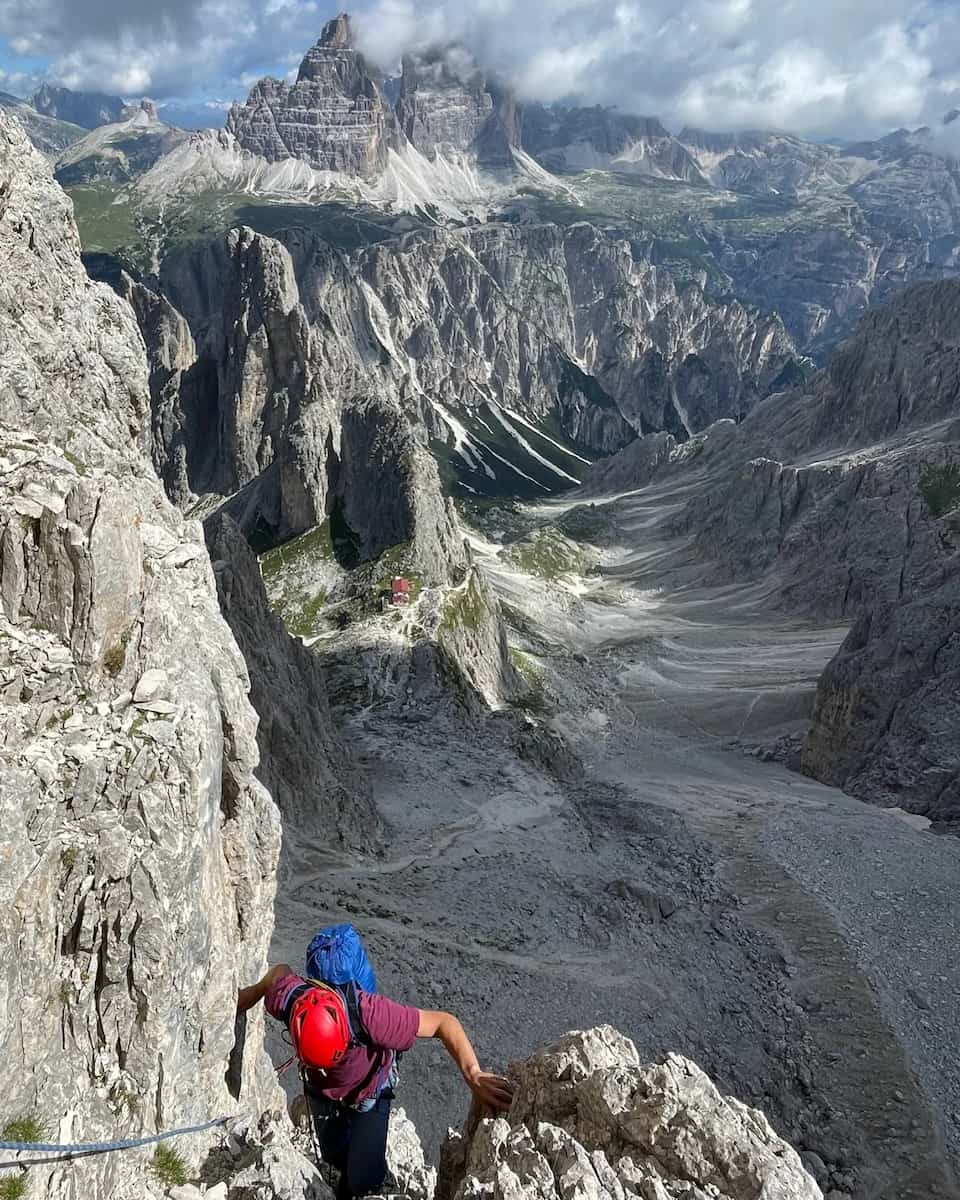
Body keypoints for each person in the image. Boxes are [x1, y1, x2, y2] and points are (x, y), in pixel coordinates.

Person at [238, 962, 514, 1199]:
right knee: (332, 1154)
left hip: (370, 1092)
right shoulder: (289, 999)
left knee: (364, 1180)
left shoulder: (372, 1014)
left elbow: (444, 1023)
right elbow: (277, 974)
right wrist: (247, 997)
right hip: (322, 1092)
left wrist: (473, 1073)